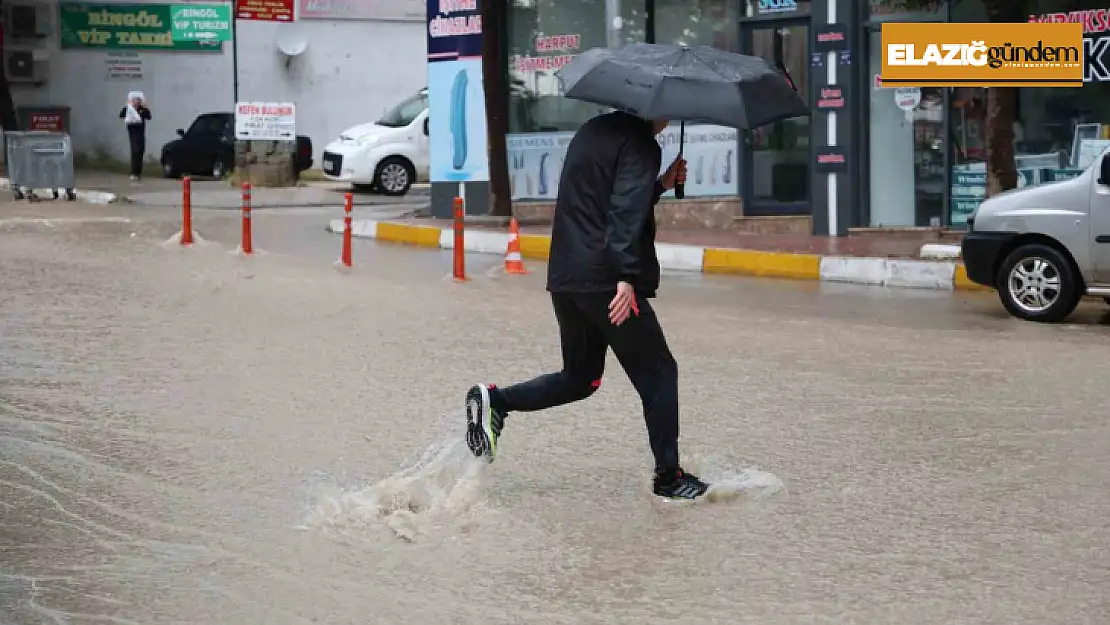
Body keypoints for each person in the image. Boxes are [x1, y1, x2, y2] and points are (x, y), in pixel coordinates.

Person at [464, 111, 709, 501]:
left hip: (567, 274)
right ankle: (669, 477)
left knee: (581, 377)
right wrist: (627, 276)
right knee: (659, 372)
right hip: (606, 279)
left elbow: (603, 200)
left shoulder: (593, 129)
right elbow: (623, 212)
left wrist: (660, 185)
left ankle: (498, 400)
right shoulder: (641, 143)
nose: (671, 118)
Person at [119, 92, 151, 181]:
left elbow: (149, 116)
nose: (136, 102)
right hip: (133, 133)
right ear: (131, 101)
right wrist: (126, 107)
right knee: (135, 150)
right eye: (135, 100)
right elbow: (121, 115)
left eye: (138, 100)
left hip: (141, 133)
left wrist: (145, 108)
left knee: (141, 150)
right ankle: (134, 172)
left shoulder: (142, 109)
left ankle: (138, 172)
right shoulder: (129, 109)